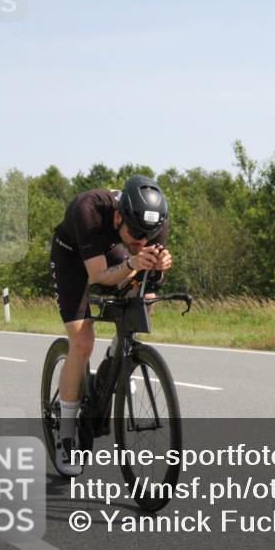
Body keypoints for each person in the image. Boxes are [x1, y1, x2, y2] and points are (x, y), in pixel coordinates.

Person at [49, 175, 173, 475]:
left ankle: (117, 360)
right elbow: (98, 276)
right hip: (72, 256)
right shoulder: (88, 209)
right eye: (135, 233)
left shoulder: (152, 224)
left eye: (148, 236)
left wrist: (157, 268)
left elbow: (150, 284)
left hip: (108, 249)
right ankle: (67, 435)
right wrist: (132, 263)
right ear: (118, 215)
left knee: (145, 300)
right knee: (82, 342)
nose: (141, 241)